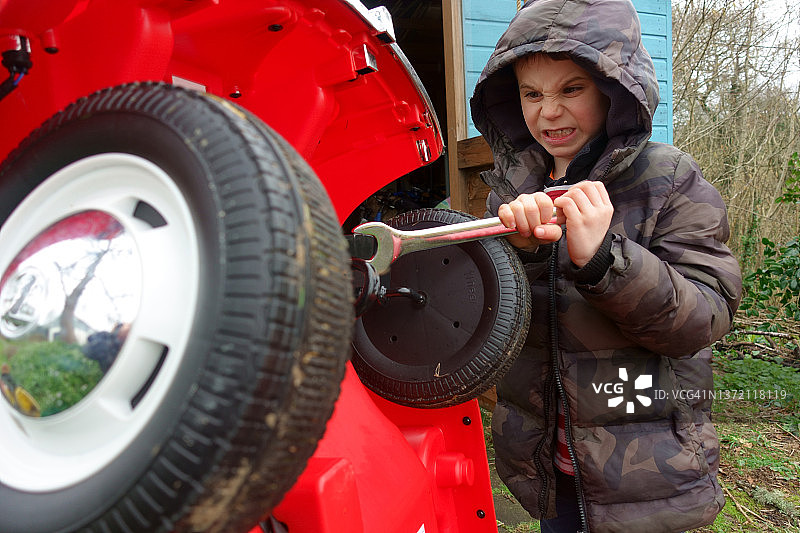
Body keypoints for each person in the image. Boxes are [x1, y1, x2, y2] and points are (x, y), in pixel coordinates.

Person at [469, 0, 743, 531]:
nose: (548, 112)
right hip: (545, 465)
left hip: (648, 471)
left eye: (571, 89)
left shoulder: (667, 177)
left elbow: (705, 316)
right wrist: (519, 256)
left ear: (614, 91)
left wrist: (603, 260)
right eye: (532, 94)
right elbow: (495, 323)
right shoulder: (511, 192)